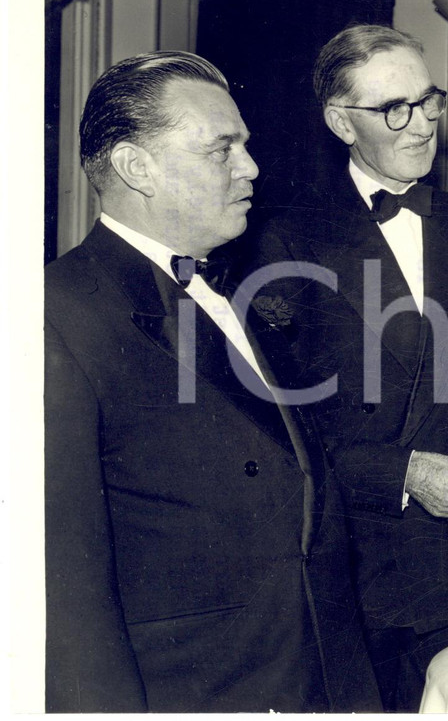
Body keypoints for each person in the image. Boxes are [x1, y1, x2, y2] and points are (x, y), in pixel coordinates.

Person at [44, 51, 381, 712]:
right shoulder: (57, 313)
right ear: (135, 167)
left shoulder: (235, 291)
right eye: (221, 149)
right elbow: (66, 591)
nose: (250, 167)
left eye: (245, 146)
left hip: (321, 682)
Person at [246, 24, 448, 712]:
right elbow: (277, 427)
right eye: (396, 109)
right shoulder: (286, 236)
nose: (422, 126)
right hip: (340, 565)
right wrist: (406, 473)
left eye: (429, 101)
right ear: (340, 122)